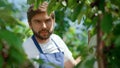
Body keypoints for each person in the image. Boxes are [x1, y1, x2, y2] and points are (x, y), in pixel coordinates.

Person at [23, 2, 80, 68]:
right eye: (38, 21)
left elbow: (71, 66)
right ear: (30, 24)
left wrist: (87, 56)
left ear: (53, 21)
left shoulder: (57, 40)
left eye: (47, 21)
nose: (44, 26)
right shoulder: (25, 48)